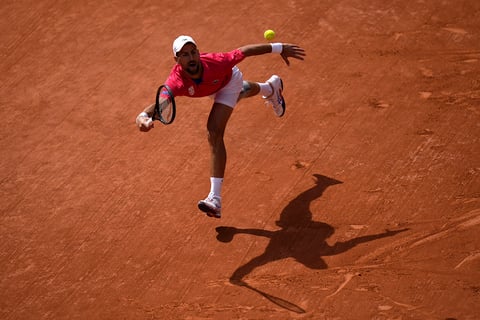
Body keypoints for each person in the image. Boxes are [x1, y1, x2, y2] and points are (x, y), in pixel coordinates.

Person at [136, 35, 306, 218]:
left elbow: (245, 50)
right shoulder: (176, 81)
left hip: (228, 80)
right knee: (242, 92)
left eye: (193, 52)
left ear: (198, 53)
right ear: (176, 60)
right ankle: (270, 88)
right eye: (184, 55)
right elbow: (161, 104)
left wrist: (279, 48)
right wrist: (143, 117)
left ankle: (214, 199)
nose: (191, 58)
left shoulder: (217, 62)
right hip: (212, 87)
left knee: (214, 131)